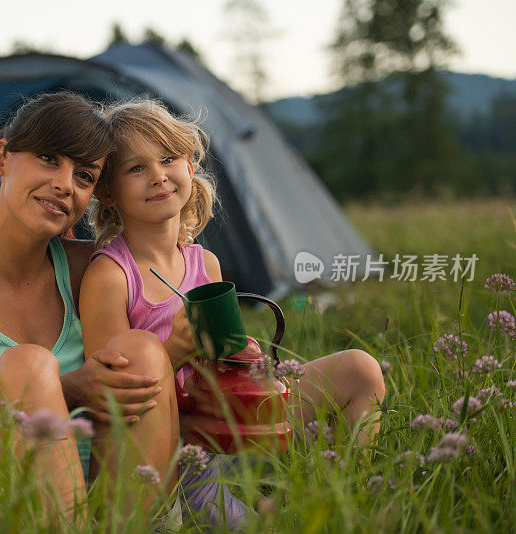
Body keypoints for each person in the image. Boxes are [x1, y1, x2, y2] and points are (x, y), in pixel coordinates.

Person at [80, 99, 387, 527]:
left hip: (225, 424)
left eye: (169, 158)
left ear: (190, 164)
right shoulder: (111, 276)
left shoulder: (204, 264)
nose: (158, 176)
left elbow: (220, 364)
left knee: (360, 369)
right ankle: (229, 503)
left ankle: (342, 499)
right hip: (173, 455)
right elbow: (111, 400)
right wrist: (177, 350)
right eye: (136, 168)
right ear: (108, 192)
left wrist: (244, 361)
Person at [0, 92, 182, 524]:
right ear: (1, 156)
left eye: (84, 176)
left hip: (108, 492)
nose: (65, 184)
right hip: (7, 499)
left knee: (141, 350)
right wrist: (71, 389)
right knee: (28, 367)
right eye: (49, 159)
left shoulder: (92, 266)